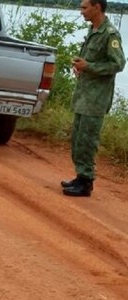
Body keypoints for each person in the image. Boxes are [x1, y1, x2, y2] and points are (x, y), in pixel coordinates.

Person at [61, 0, 125, 197]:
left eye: (85, 7)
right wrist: (80, 66)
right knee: (78, 139)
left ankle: (86, 182)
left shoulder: (110, 33)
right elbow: (90, 60)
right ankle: (81, 177)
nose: (81, 12)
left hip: (96, 98)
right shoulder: (93, 30)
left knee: (88, 140)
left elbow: (118, 64)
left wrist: (89, 67)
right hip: (84, 95)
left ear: (97, 7)